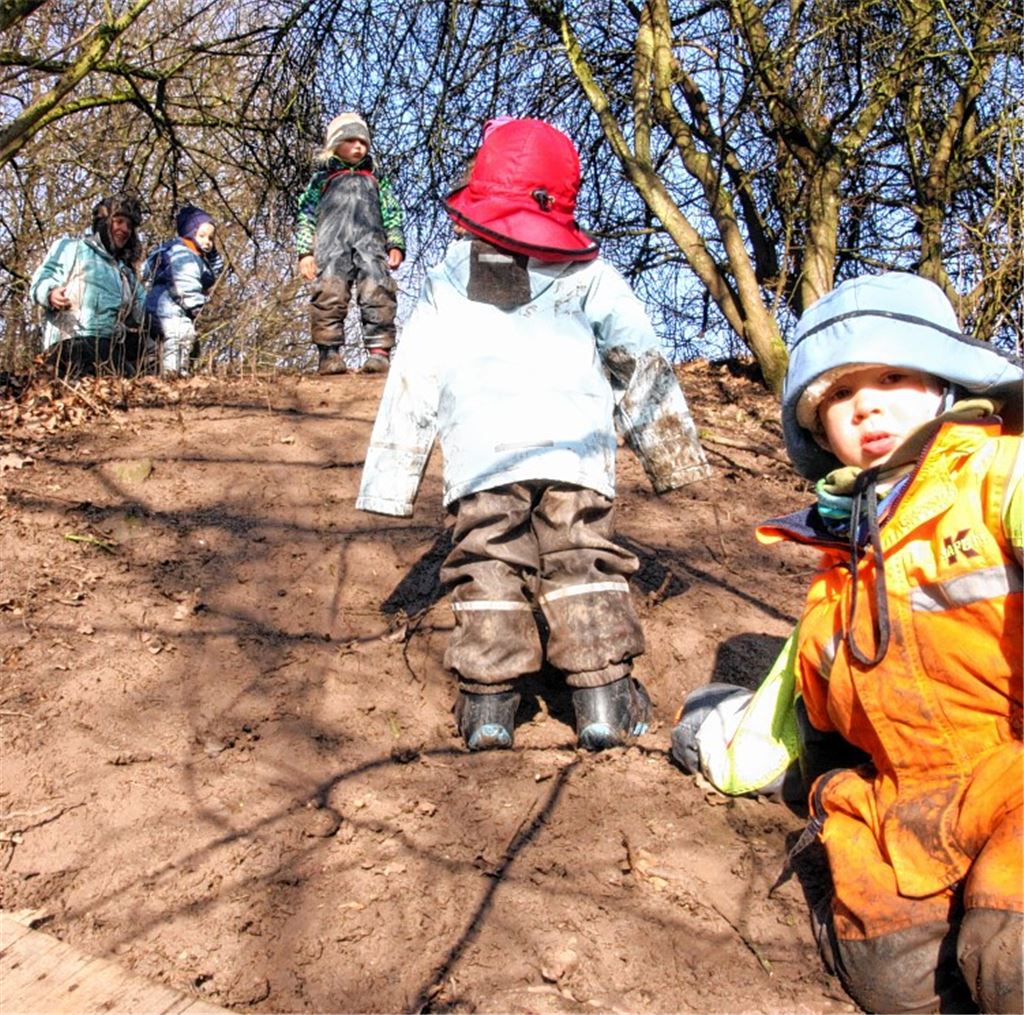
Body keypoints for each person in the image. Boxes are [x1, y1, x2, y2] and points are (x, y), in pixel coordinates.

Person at [679, 272, 1022, 1013]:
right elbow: (785, 721)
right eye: (837, 394)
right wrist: (709, 730)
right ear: (816, 428)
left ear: (944, 381)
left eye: (893, 374)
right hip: (905, 804)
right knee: (891, 975)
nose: (866, 402)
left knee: (1013, 954)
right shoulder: (837, 578)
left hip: (1017, 772)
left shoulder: (1002, 474)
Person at [356, 118, 712, 752]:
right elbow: (637, 357)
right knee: (580, 554)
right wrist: (671, 455)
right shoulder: (591, 274)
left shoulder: (450, 278)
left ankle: (489, 706)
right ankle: (602, 698)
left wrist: (391, 481)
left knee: (489, 556)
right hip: (575, 445)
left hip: (483, 452)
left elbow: (413, 374)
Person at [295, 111, 405, 375]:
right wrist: (305, 252)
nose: (358, 146)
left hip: (371, 244)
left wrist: (396, 244)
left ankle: (379, 351)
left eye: (363, 142)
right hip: (331, 247)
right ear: (334, 144)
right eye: (351, 140)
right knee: (329, 292)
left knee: (378, 289)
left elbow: (392, 212)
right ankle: (329, 353)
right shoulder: (321, 181)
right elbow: (305, 215)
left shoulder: (376, 179)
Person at [29, 194, 148, 377]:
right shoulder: (71, 248)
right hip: (70, 343)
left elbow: (144, 309)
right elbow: (42, 279)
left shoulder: (125, 273)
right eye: (119, 221)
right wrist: (50, 293)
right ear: (104, 221)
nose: (124, 229)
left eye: (130, 226)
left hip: (110, 350)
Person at [143, 204, 224, 376]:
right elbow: (184, 282)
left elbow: (213, 271)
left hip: (161, 304)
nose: (207, 242)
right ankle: (172, 373)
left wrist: (212, 256)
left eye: (211, 238)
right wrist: (195, 305)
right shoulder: (184, 255)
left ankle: (160, 371)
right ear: (189, 233)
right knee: (180, 334)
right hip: (167, 305)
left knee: (170, 339)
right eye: (201, 236)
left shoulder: (188, 253)